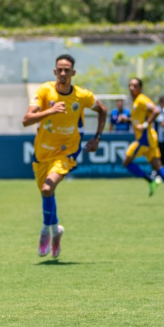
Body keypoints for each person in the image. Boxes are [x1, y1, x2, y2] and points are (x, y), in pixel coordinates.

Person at [21, 54, 107, 258]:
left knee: (47, 187)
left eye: (66, 70)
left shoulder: (82, 96)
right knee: (46, 193)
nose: (62, 73)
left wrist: (97, 138)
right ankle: (56, 230)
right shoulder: (44, 90)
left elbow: (103, 110)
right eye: (59, 69)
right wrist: (49, 112)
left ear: (73, 73)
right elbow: (26, 120)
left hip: (67, 151)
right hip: (42, 153)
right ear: (54, 71)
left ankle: (45, 231)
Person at [121, 78, 164, 204]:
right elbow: (138, 120)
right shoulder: (135, 103)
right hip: (150, 139)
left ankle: (151, 180)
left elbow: (156, 110)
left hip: (144, 140)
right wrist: (127, 120)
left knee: (126, 162)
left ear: (140, 88)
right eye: (130, 85)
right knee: (158, 166)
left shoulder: (142, 99)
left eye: (134, 86)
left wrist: (145, 125)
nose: (131, 88)